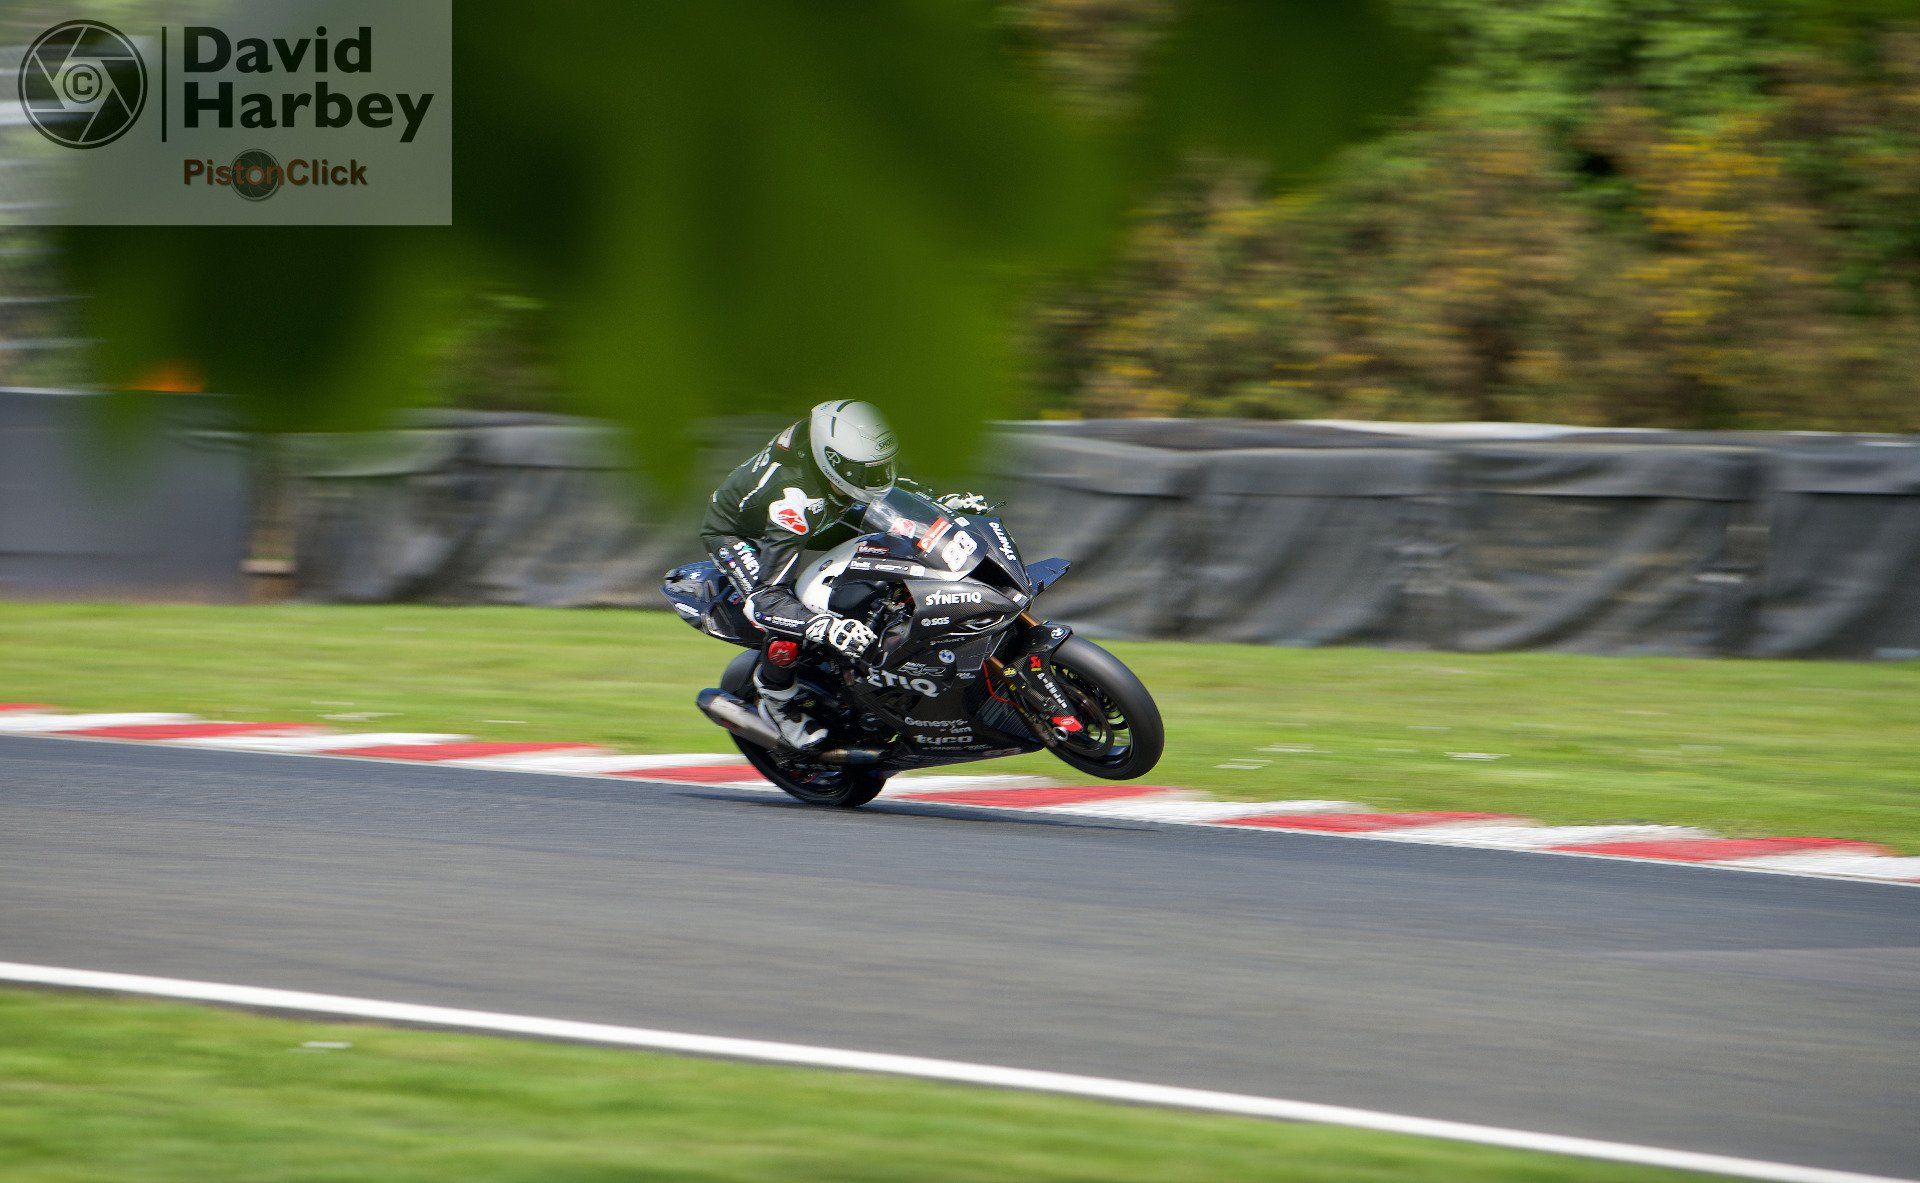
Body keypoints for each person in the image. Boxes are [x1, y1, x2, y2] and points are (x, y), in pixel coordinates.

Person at [701, 400, 990, 749]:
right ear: (834, 463)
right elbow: (764, 600)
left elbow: (889, 490)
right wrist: (821, 625)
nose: (880, 478)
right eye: (870, 472)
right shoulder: (792, 502)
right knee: (782, 607)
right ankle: (777, 699)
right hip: (744, 534)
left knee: (894, 544)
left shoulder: (838, 445)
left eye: (883, 467)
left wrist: (939, 506)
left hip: (823, 503)